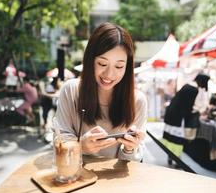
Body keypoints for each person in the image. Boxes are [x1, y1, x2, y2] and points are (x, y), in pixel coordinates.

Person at [54, 22, 148, 162]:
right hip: (76, 178)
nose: (109, 74)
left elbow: (130, 164)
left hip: (115, 181)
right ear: (90, 60)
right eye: (102, 64)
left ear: (127, 67)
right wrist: (81, 146)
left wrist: (130, 148)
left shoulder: (137, 101)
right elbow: (59, 142)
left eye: (119, 66)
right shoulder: (70, 91)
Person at [163, 73, 210, 165]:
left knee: (171, 138)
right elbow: (194, 107)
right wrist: (199, 111)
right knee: (177, 139)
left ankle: (170, 156)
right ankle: (177, 160)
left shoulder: (188, 86)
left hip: (172, 116)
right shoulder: (195, 90)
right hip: (179, 118)